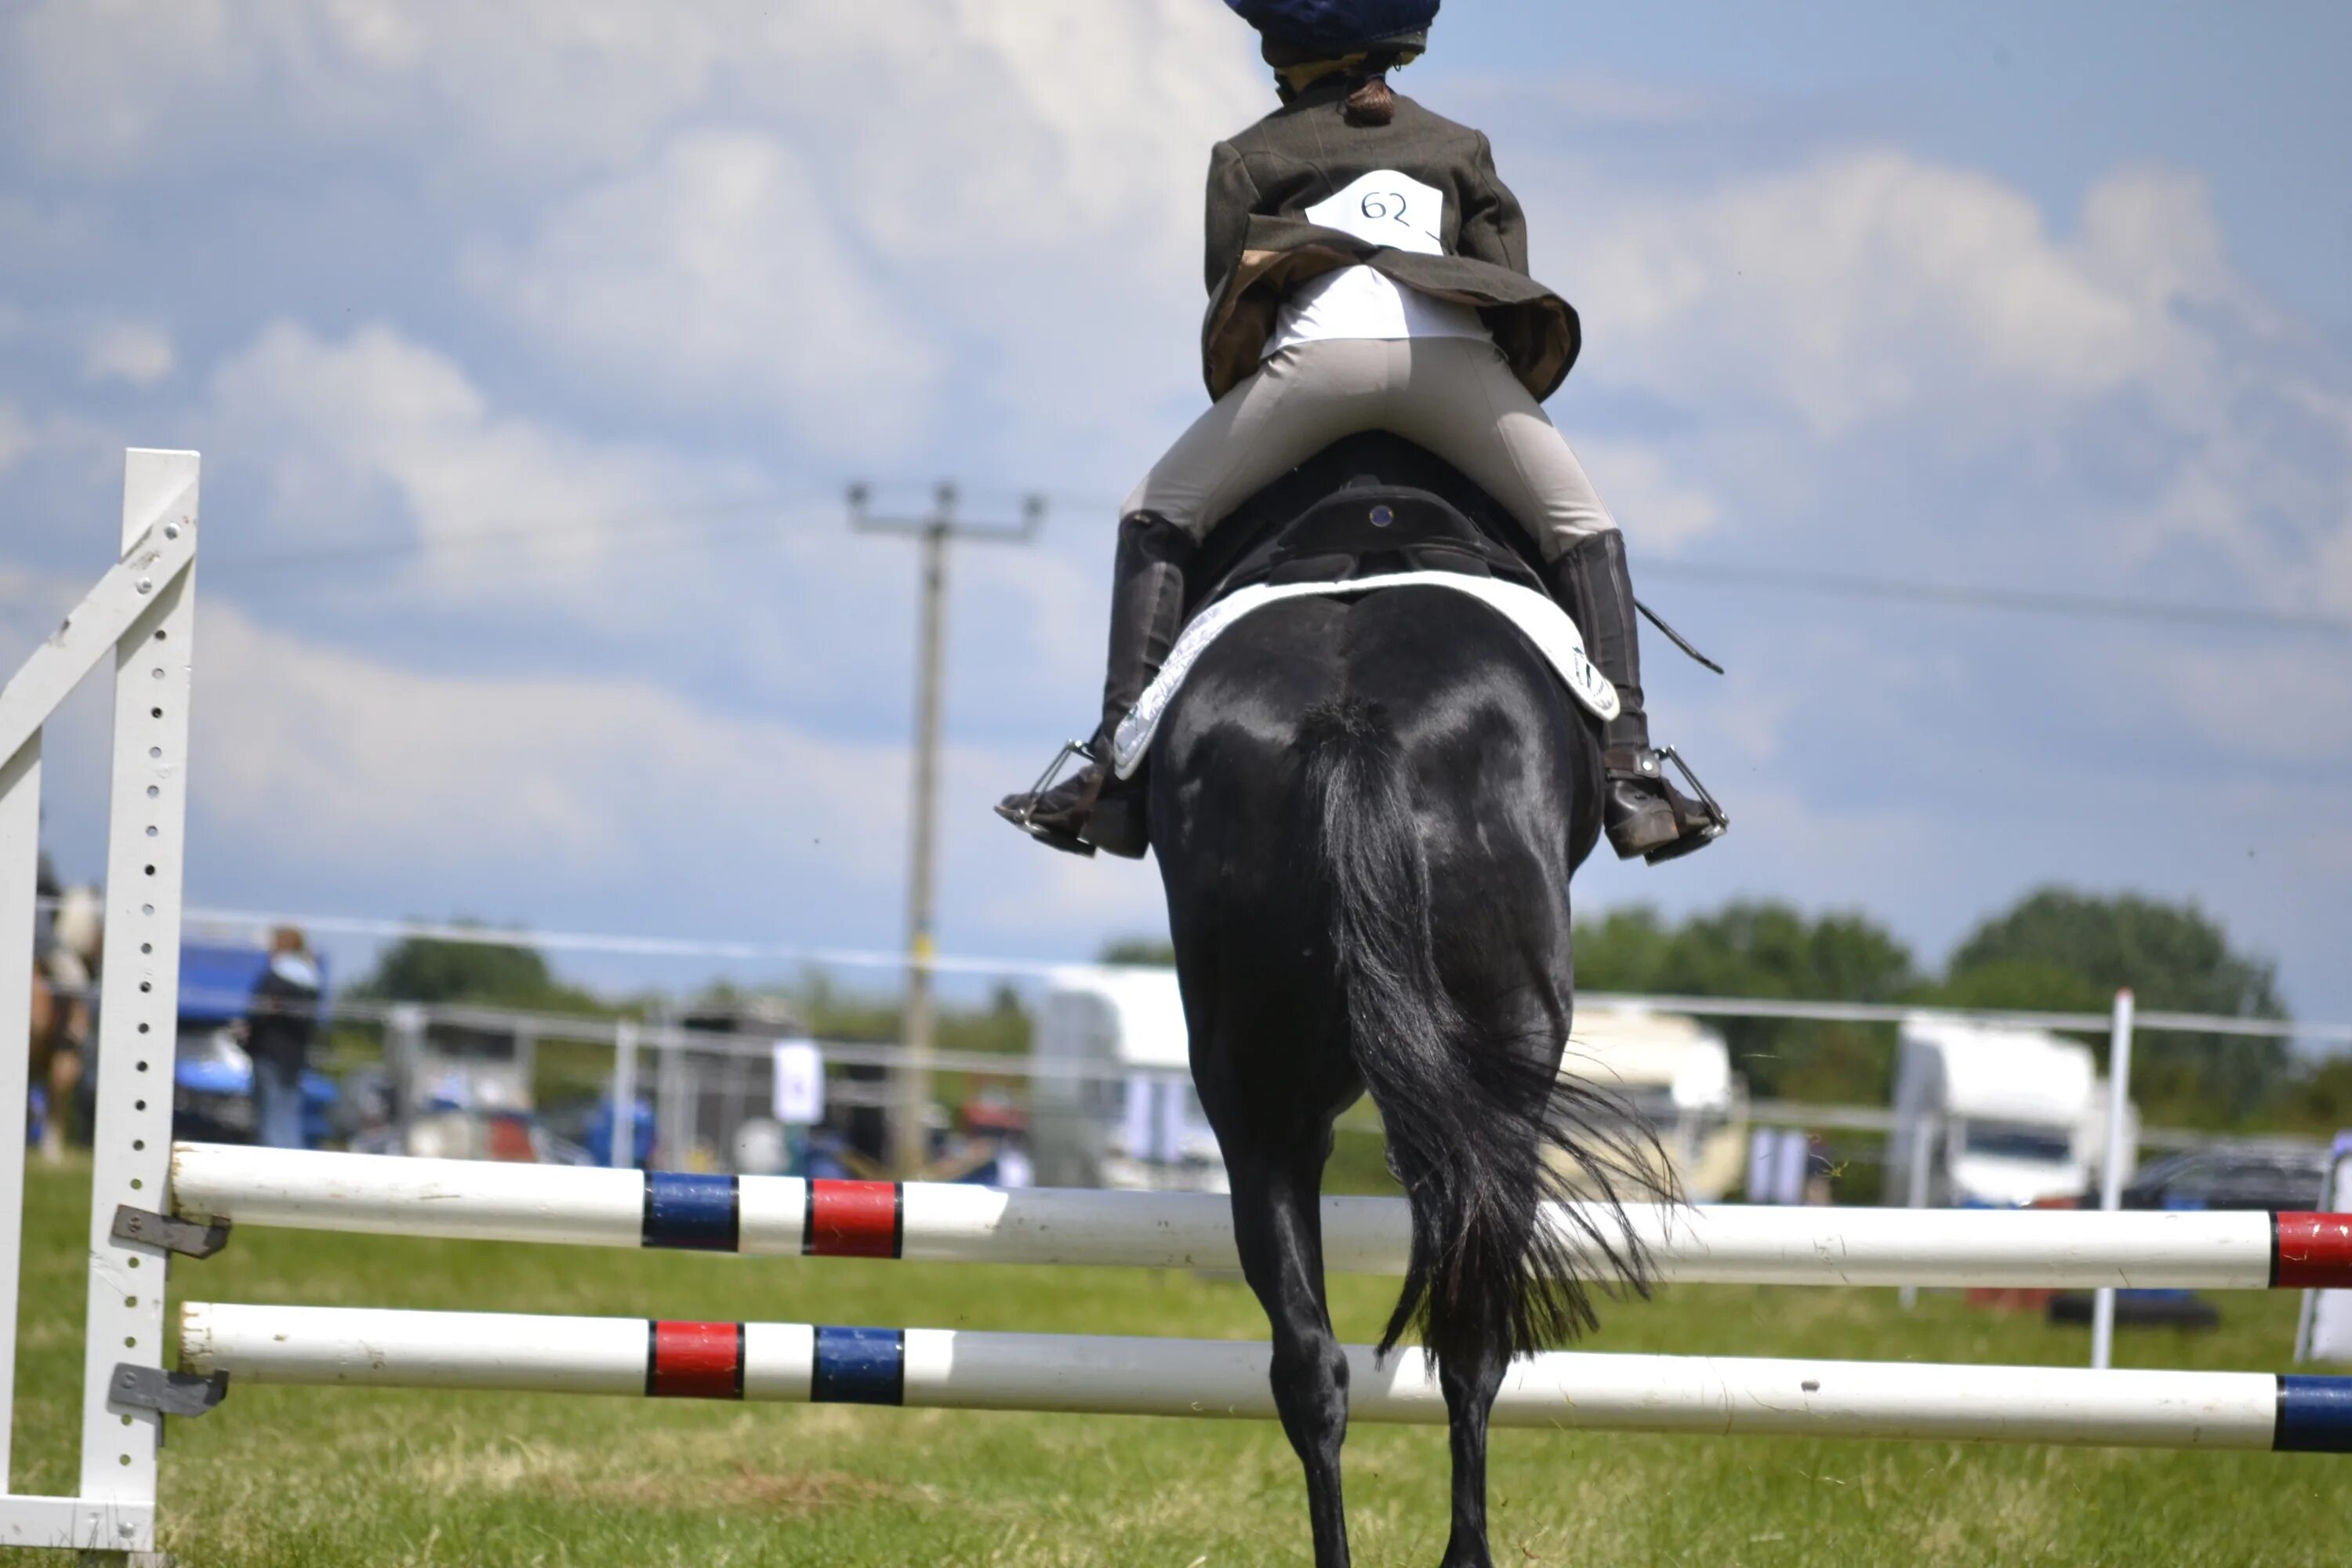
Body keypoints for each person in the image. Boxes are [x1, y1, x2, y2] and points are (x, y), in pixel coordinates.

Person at [1000, 0, 1722, 866]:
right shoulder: (1461, 145)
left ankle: (1113, 778)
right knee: (1585, 525)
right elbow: (1505, 281)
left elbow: (1237, 313)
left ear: (1289, 53)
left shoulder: (1247, 156)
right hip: (1450, 370)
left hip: (1318, 366)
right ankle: (1633, 775)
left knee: (1153, 511)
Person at [241, 926, 321, 1150]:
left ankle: (270, 1175)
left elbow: (257, 1015)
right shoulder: (311, 978)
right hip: (295, 1057)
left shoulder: (274, 977)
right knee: (289, 1116)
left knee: (268, 1117)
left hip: (268, 1053)